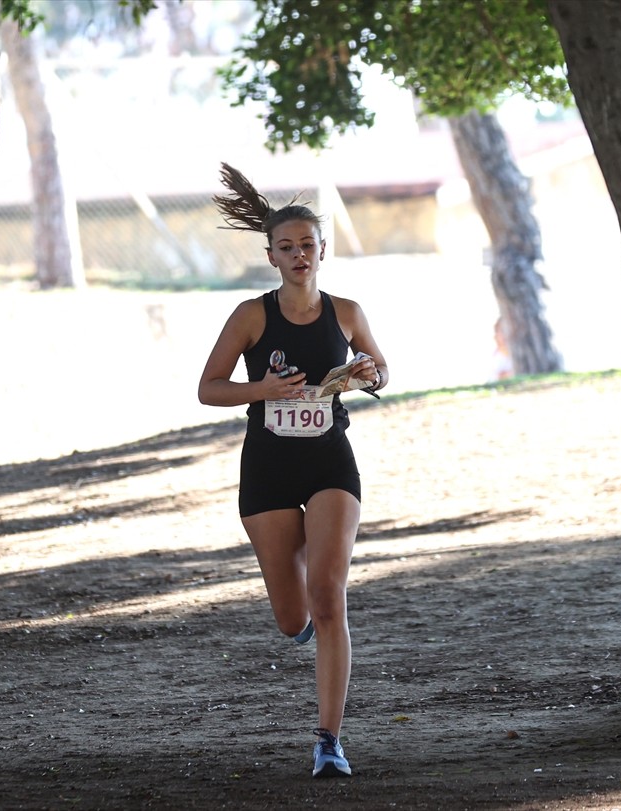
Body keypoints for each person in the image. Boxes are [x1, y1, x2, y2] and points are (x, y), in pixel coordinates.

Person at [197, 163, 389, 778]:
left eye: (308, 244)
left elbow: (381, 369)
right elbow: (208, 389)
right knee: (293, 615)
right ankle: (303, 620)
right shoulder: (252, 317)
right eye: (288, 247)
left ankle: (328, 741)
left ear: (322, 251)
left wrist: (365, 375)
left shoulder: (348, 311)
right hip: (269, 471)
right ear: (272, 256)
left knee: (329, 595)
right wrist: (264, 389)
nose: (300, 254)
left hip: (331, 462)